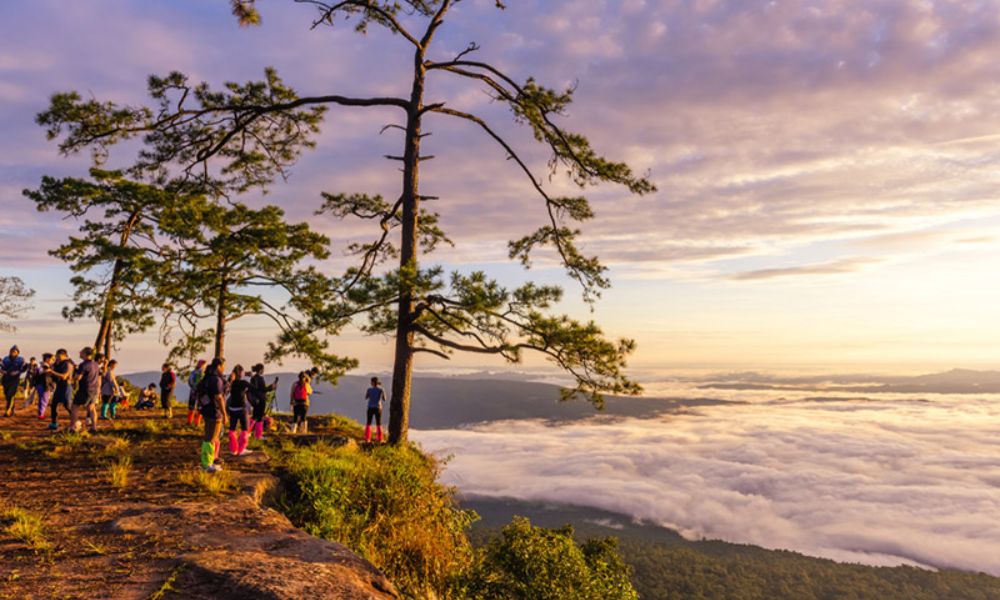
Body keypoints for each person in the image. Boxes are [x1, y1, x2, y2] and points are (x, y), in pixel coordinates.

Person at [196, 357, 228, 472]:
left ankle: (208, 462)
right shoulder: (216, 379)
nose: (224, 368)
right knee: (211, 437)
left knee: (210, 436)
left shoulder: (207, 377)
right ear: (219, 366)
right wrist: (224, 414)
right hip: (215, 412)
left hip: (206, 410)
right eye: (223, 366)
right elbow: (219, 397)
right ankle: (206, 464)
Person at [70, 347, 101, 433]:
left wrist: (74, 373)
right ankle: (94, 427)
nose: (79, 352)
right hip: (94, 389)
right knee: (91, 408)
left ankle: (74, 426)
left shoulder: (83, 365)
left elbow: (78, 377)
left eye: (81, 352)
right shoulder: (95, 364)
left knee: (75, 406)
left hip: (85, 388)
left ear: (85, 354)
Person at [225, 365, 254, 456]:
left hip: (232, 409)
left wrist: (244, 373)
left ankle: (233, 450)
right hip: (242, 409)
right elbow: (253, 388)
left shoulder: (232, 382)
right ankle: (241, 449)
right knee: (245, 429)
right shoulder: (243, 383)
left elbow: (229, 383)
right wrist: (252, 377)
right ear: (240, 373)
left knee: (232, 429)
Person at [248, 364, 276, 440]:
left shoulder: (253, 378)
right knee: (259, 417)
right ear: (260, 370)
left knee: (254, 416)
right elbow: (263, 389)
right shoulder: (260, 378)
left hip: (255, 400)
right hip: (261, 400)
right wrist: (271, 387)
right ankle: (258, 435)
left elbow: (255, 389)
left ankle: (248, 432)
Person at [48, 349, 74, 430]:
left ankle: (75, 421)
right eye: (56, 356)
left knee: (67, 405)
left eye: (58, 356)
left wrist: (51, 372)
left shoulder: (68, 364)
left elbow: (64, 376)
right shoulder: (57, 364)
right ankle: (54, 423)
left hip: (66, 386)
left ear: (64, 355)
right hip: (58, 386)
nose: (57, 357)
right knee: (54, 404)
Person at [1, 345, 27, 417]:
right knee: (7, 395)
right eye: (11, 351)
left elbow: (24, 368)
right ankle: (11, 411)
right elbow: (1, 366)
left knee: (11, 394)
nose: (13, 353)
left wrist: (18, 372)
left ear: (18, 353)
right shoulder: (5, 359)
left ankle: (8, 411)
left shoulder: (21, 359)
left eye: (14, 351)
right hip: (6, 379)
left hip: (15, 379)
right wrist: (2, 371)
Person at [364, 376, 386, 443]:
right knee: (378, 423)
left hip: (370, 407)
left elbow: (366, 397)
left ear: (372, 383)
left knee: (368, 423)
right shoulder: (381, 390)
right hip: (378, 408)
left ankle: (367, 438)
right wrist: (382, 392)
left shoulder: (369, 390)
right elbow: (384, 399)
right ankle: (379, 438)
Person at [186, 359, 206, 426]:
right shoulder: (204, 373)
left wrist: (193, 387)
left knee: (191, 406)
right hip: (201, 392)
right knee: (200, 407)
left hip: (193, 391)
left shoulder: (193, 372)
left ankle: (189, 421)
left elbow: (190, 381)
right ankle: (197, 422)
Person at [35, 353, 55, 420]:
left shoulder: (41, 365)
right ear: (47, 359)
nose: (53, 360)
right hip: (44, 385)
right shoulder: (45, 366)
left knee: (42, 399)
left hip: (40, 384)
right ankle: (41, 414)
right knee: (44, 400)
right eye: (52, 359)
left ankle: (41, 413)